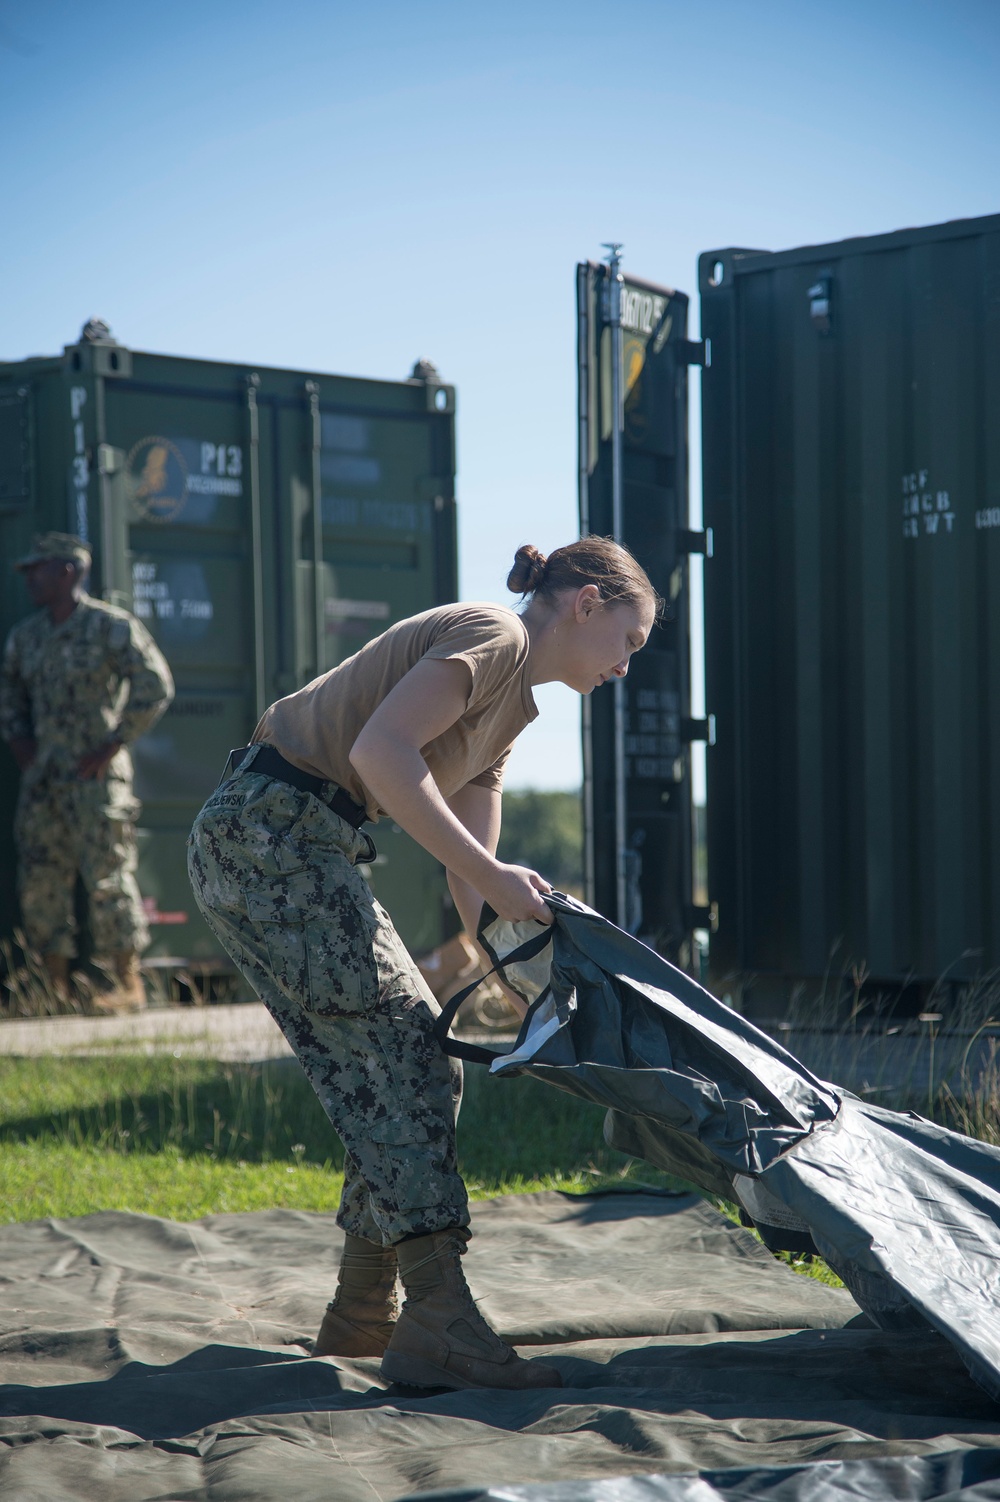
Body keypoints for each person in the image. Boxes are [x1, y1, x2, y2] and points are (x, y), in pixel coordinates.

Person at [187, 537, 659, 1390]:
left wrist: (512, 958)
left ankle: (363, 1314)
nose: (627, 666)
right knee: (411, 1061)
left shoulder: (512, 708)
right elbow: (381, 755)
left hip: (287, 843)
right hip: (272, 836)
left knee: (406, 1064)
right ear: (587, 602)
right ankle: (432, 1316)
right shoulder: (495, 635)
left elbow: (470, 861)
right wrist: (491, 880)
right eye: (631, 640)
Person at [0, 533, 174, 1011]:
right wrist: (18, 738)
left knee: (109, 878)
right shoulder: (27, 636)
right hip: (44, 780)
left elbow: (155, 685)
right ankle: (50, 987)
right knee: (41, 878)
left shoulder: (109, 627)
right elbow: (9, 690)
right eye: (29, 571)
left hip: (96, 777)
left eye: (39, 569)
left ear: (69, 572)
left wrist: (114, 743)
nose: (31, 579)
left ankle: (127, 985)